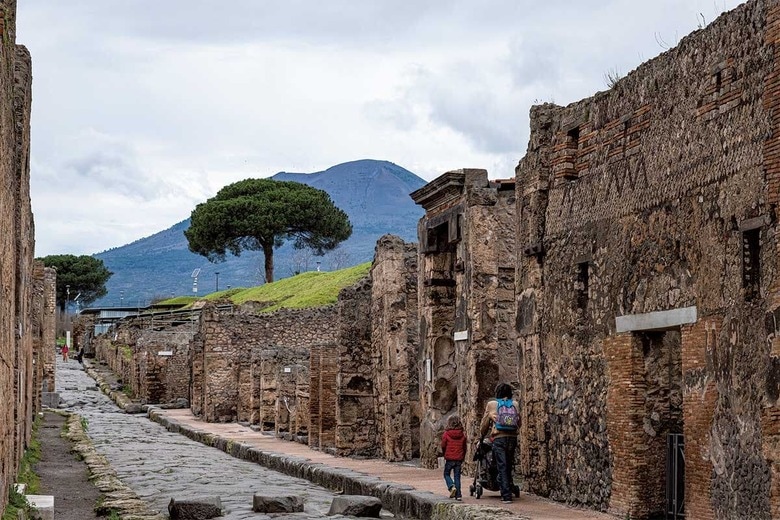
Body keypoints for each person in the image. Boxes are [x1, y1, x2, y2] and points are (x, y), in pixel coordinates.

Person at [479, 382, 520, 503]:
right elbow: (519, 422)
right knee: (508, 464)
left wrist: (482, 434)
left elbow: (484, 425)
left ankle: (506, 495)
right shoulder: (515, 404)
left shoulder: (492, 404)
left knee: (501, 465)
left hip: (499, 438)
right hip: (512, 438)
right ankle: (508, 486)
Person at [441, 414, 467, 500]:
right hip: (459, 458)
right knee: (457, 476)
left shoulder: (446, 434)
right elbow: (464, 447)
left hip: (449, 458)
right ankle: (458, 495)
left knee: (446, 474)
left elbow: (443, 445)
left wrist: (445, 454)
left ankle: (451, 486)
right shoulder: (462, 435)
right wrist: (463, 456)